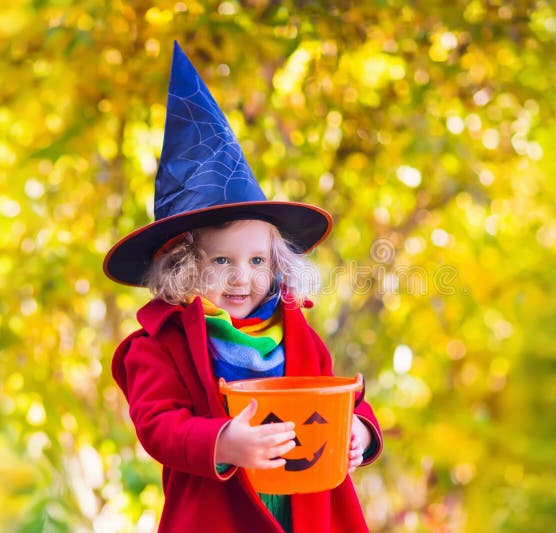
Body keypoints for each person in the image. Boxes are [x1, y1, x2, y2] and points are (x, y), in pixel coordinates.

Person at [104, 42, 382, 533]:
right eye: (221, 261)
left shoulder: (293, 332)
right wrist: (222, 442)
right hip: (219, 516)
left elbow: (342, 398)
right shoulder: (158, 346)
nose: (241, 277)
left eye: (257, 260)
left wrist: (360, 429)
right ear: (184, 266)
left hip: (307, 513)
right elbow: (157, 423)